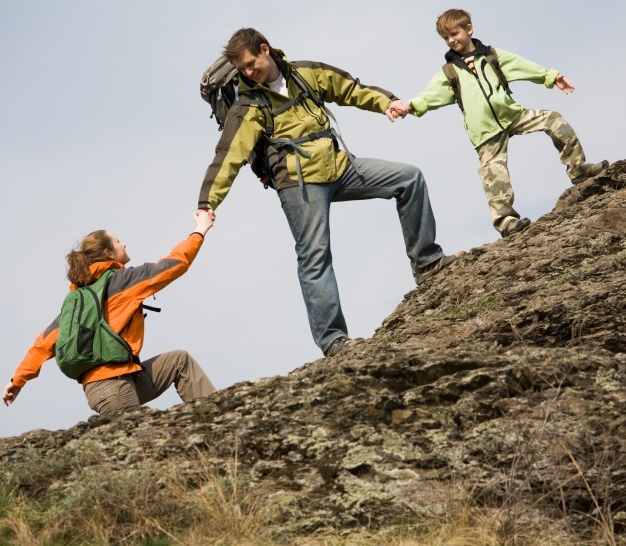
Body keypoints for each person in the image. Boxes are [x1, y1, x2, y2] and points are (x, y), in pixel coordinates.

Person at [197, 28, 462, 358]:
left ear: (264, 49)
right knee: (314, 256)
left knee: (409, 179)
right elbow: (228, 157)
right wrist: (207, 203)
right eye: (243, 70)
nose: (249, 73)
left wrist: (386, 102)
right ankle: (334, 340)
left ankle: (427, 262)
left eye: (252, 64)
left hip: (339, 166)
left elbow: (349, 88)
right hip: (299, 184)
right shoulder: (249, 106)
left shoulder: (305, 73)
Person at [389, 8, 608, 238]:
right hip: (485, 132)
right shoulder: (449, 72)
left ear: (469, 29)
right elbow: (429, 96)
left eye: (454, 34)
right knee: (493, 173)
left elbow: (521, 65)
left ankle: (579, 169)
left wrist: (550, 76)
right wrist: (409, 106)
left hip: (511, 115)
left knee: (554, 119)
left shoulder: (492, 55)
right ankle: (506, 222)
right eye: (446, 38)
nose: (451, 40)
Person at [2, 211, 217, 414]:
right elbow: (175, 263)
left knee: (179, 361)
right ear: (109, 253)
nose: (124, 243)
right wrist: (201, 229)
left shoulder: (79, 298)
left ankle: (217, 418)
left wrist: (17, 381)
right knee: (140, 448)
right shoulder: (122, 281)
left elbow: (42, 344)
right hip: (113, 389)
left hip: (121, 380)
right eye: (118, 241)